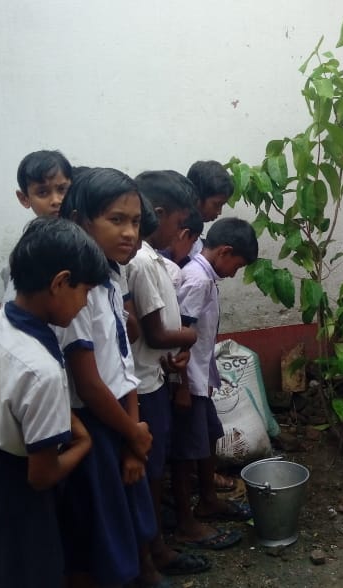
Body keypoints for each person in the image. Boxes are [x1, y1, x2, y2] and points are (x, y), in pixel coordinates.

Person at [0, 217, 104, 588]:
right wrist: (84, 443)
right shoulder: (42, 370)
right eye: (85, 291)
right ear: (60, 282)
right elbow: (41, 475)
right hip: (18, 488)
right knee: (30, 570)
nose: (85, 304)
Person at [55, 168, 161, 587]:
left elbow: (123, 364)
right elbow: (88, 382)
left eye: (134, 222)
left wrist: (134, 436)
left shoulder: (112, 280)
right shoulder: (73, 291)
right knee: (94, 536)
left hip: (121, 419)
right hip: (93, 423)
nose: (130, 233)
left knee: (126, 521)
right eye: (116, 220)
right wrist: (130, 433)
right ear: (79, 221)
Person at [126, 170, 212, 576]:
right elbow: (155, 332)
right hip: (143, 384)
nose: (182, 232)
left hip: (155, 374)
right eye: (180, 223)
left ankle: (155, 547)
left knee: (154, 470)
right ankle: (150, 555)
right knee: (148, 473)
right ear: (158, 214)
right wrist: (190, 336)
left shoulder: (153, 260)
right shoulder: (142, 261)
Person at [172, 217, 258, 549]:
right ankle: (185, 522)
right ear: (225, 251)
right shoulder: (196, 280)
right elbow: (181, 335)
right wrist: (182, 385)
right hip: (187, 382)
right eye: (238, 265)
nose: (235, 273)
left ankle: (208, 499)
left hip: (199, 378)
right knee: (185, 452)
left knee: (208, 437)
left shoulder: (204, 277)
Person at [1, 150, 74, 303]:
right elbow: (17, 308)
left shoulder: (85, 236)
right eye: (42, 192)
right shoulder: (27, 253)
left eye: (62, 189)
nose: (56, 200)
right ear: (24, 198)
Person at [182, 160, 233, 261]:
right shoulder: (174, 241)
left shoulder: (198, 242)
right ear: (197, 197)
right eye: (216, 204)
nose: (219, 212)